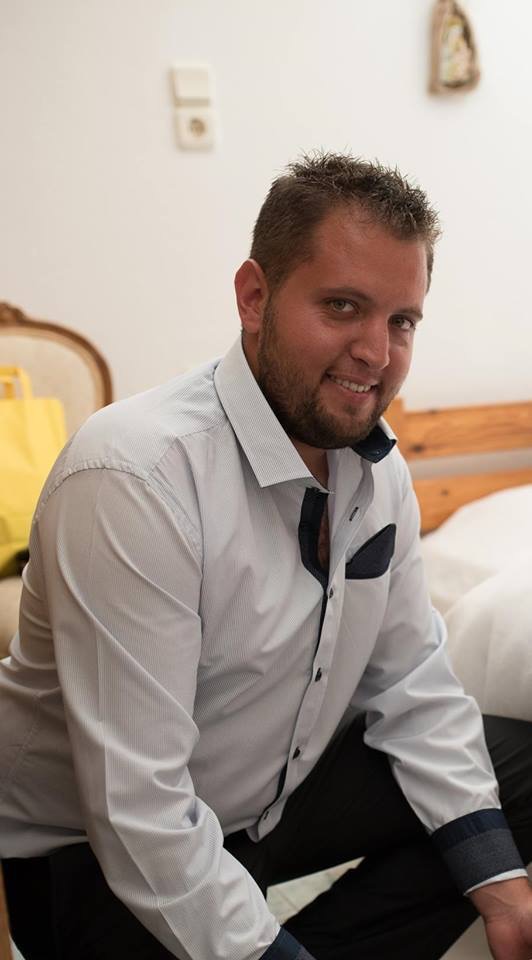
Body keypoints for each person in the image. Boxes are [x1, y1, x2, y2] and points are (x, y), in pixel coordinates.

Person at [1, 152, 532, 960]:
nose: (376, 352)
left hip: (267, 801)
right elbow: (140, 807)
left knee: (520, 767)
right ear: (255, 296)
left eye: (402, 321)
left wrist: (502, 883)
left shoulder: (377, 468)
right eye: (343, 306)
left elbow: (411, 681)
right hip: (95, 852)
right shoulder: (135, 478)